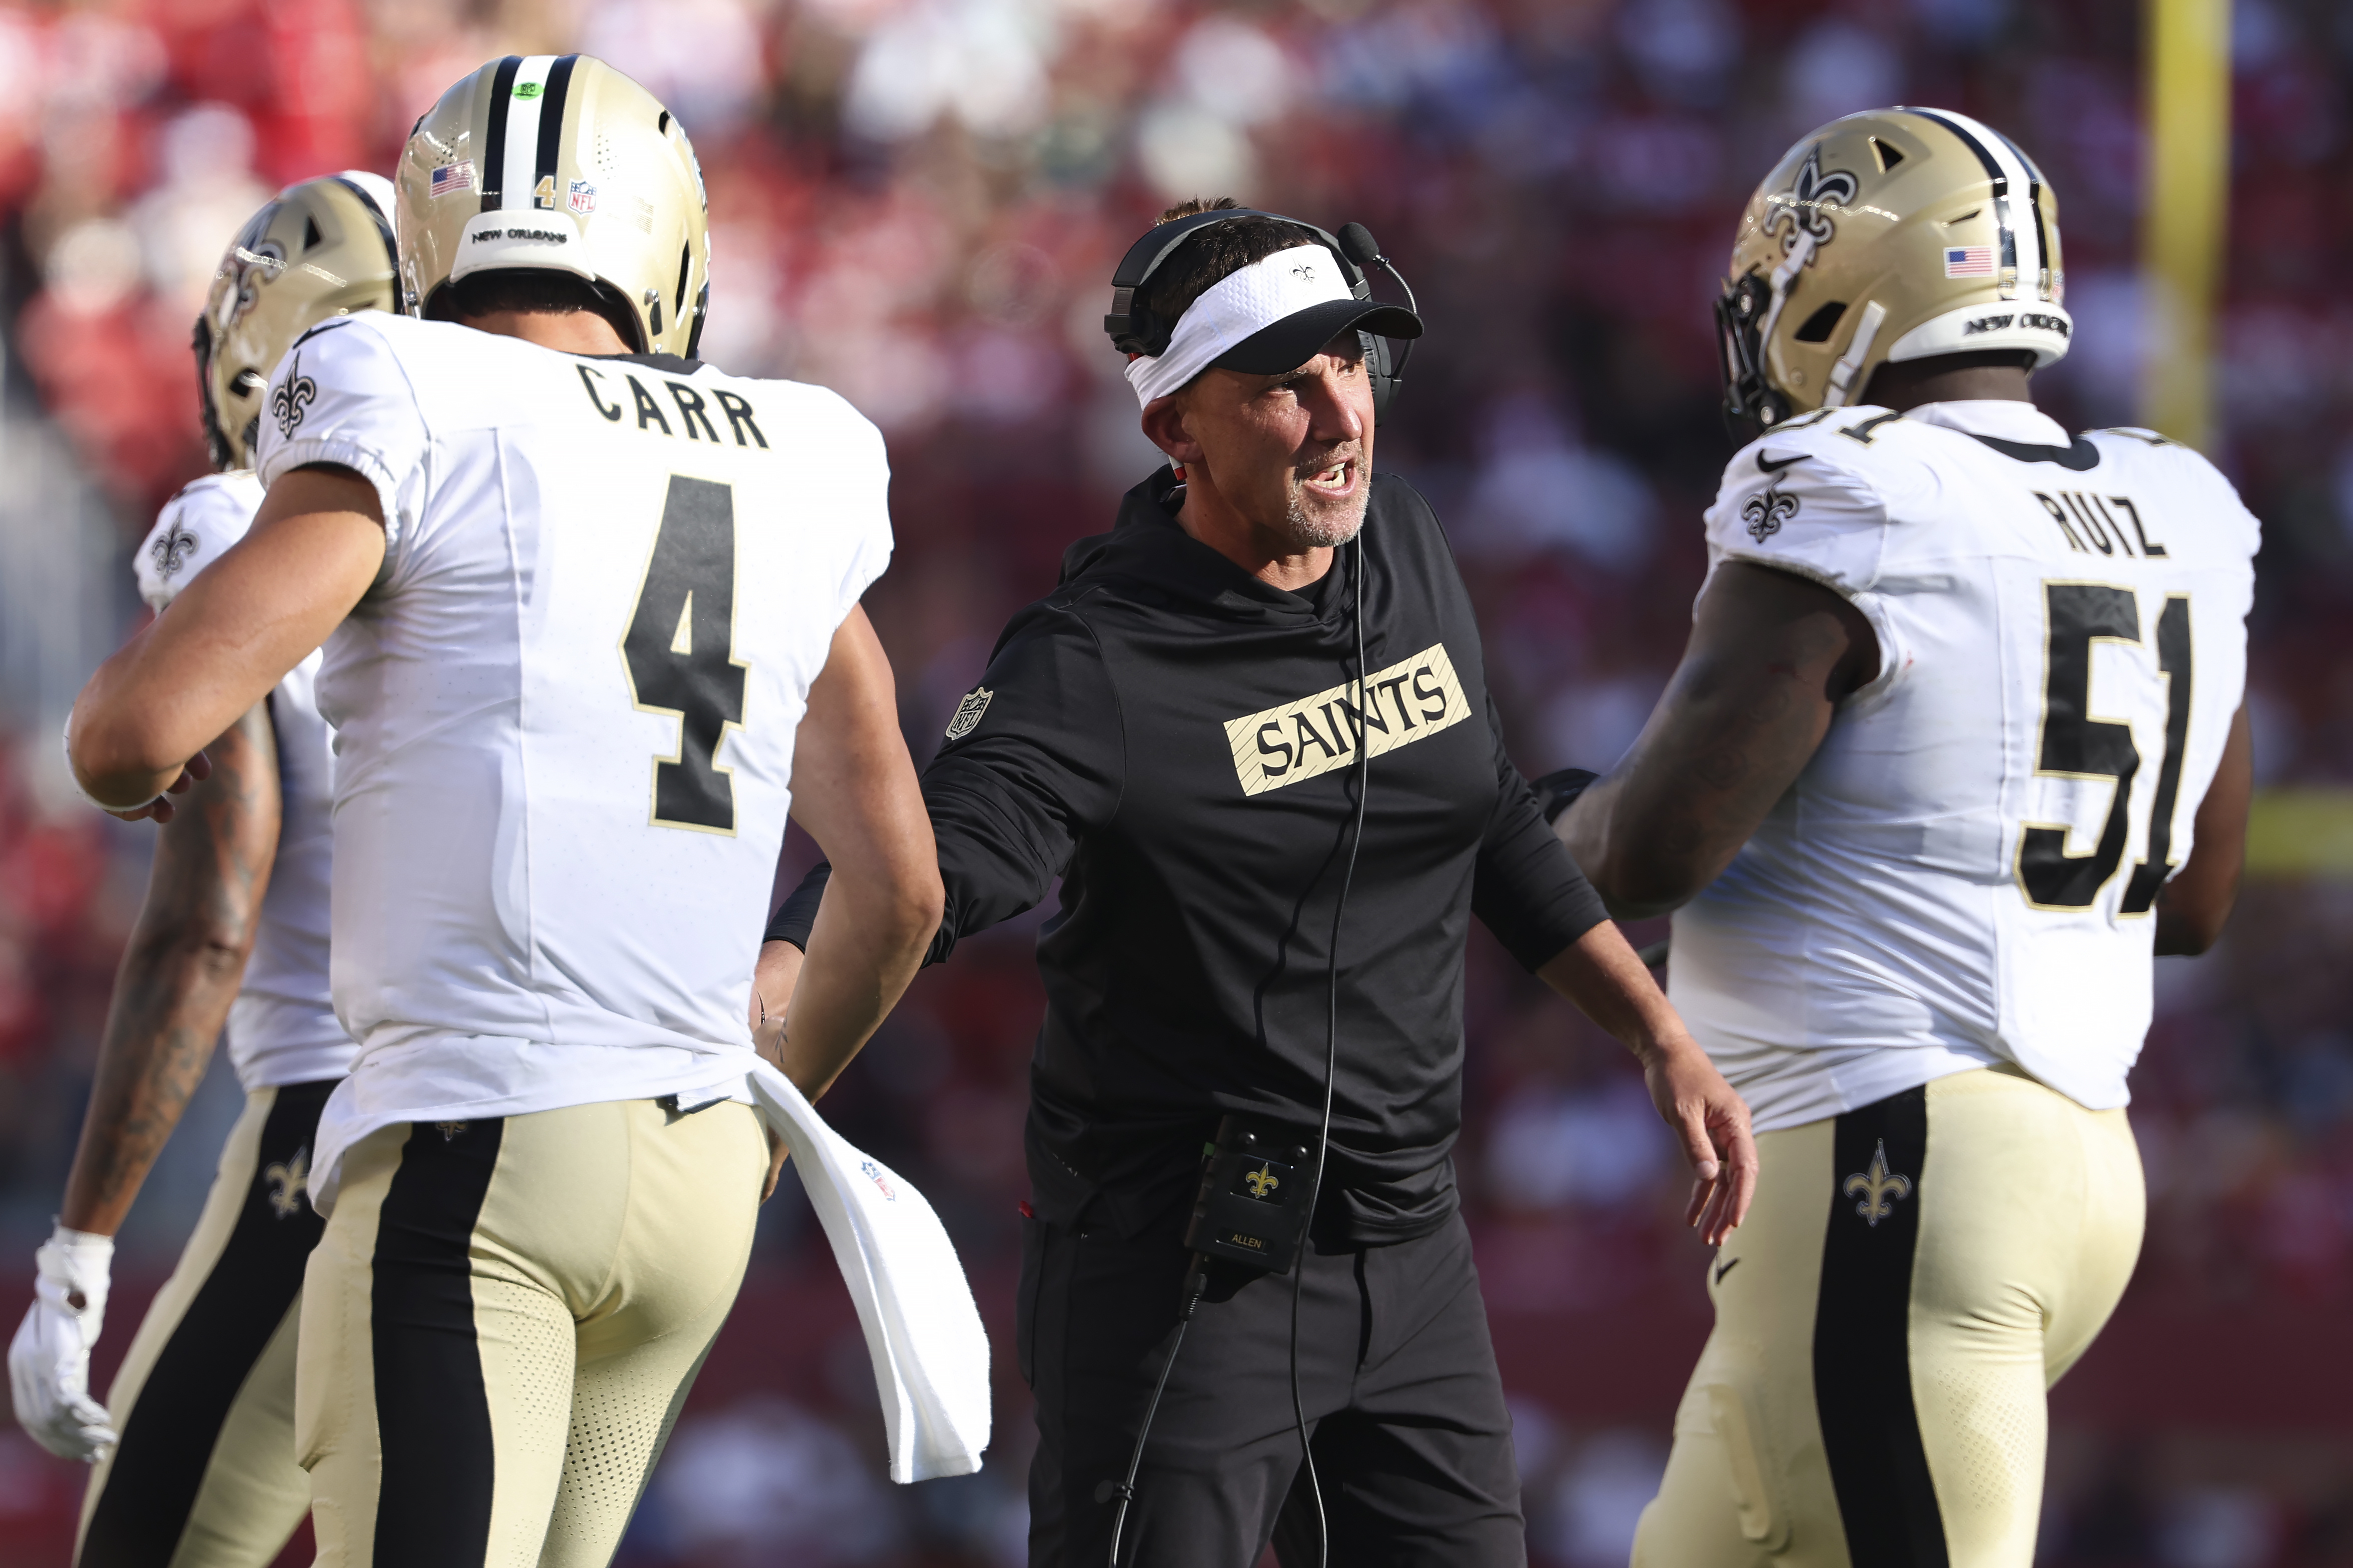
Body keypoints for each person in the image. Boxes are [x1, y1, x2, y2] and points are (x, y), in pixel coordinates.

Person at [757, 198, 1759, 1568]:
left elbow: (1489, 819)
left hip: (1412, 1256)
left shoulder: (1400, 543)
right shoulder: (1094, 655)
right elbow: (944, 857)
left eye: (1350, 363)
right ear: (1177, 429)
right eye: (1287, 384)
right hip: (1186, 1283)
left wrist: (1659, 1035)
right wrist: (781, 968)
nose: (1340, 412)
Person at [64, 55, 946, 1566]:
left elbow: (134, 729)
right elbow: (901, 891)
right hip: (696, 1187)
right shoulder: (794, 450)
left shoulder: (413, 385)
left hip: (480, 1157)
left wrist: (133, 770)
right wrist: (745, 1117)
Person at [1547, 109, 2257, 1566]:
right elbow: (2188, 902)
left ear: (1848, 282)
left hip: (1893, 1157)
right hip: (2071, 1165)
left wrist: (1529, 820)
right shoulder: (2178, 503)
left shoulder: (1857, 489)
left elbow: (1653, 852)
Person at [6, 173, 397, 1568]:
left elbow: (210, 913)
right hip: (582, 1113)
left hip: (346, 1115)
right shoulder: (541, 510)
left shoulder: (239, 524)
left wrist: (82, 1247)